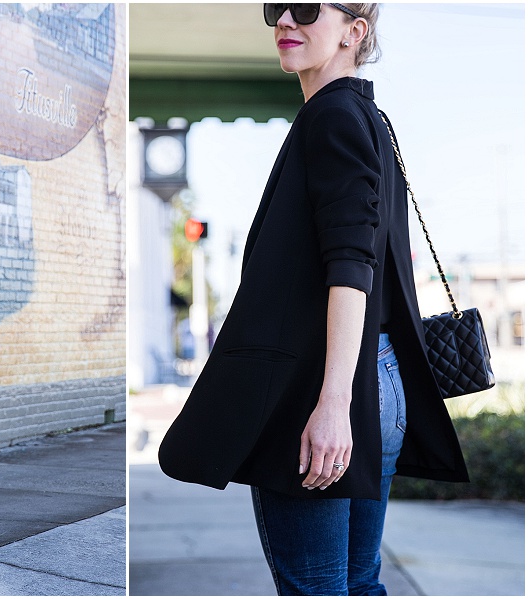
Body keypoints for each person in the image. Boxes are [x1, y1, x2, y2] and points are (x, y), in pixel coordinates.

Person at [158, 4, 468, 595]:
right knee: (356, 584)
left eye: (307, 8)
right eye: (277, 7)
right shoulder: (367, 118)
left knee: (319, 589)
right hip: (376, 378)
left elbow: (351, 269)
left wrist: (333, 405)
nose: (285, 20)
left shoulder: (331, 118)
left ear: (357, 30)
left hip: (328, 386)